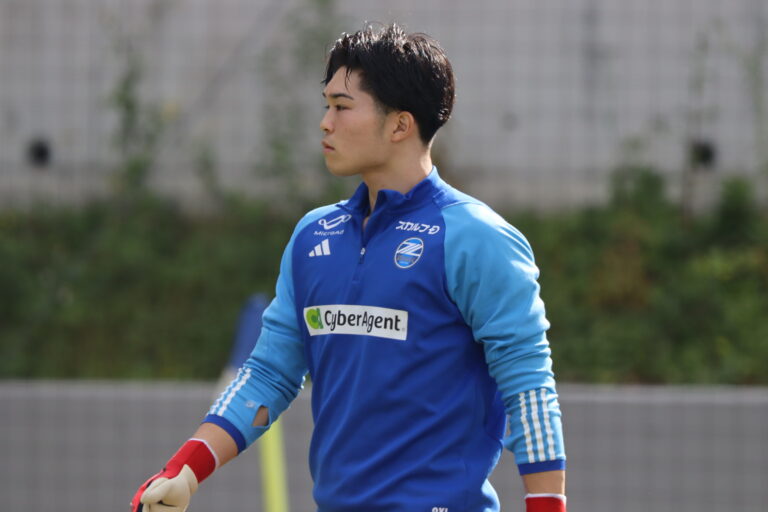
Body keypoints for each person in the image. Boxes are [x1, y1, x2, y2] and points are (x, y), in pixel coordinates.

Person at [131, 23, 567, 512]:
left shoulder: (477, 238)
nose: (325, 123)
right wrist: (186, 470)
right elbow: (269, 374)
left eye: (341, 106)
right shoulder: (313, 235)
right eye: (326, 106)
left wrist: (548, 507)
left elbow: (529, 388)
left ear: (399, 125)